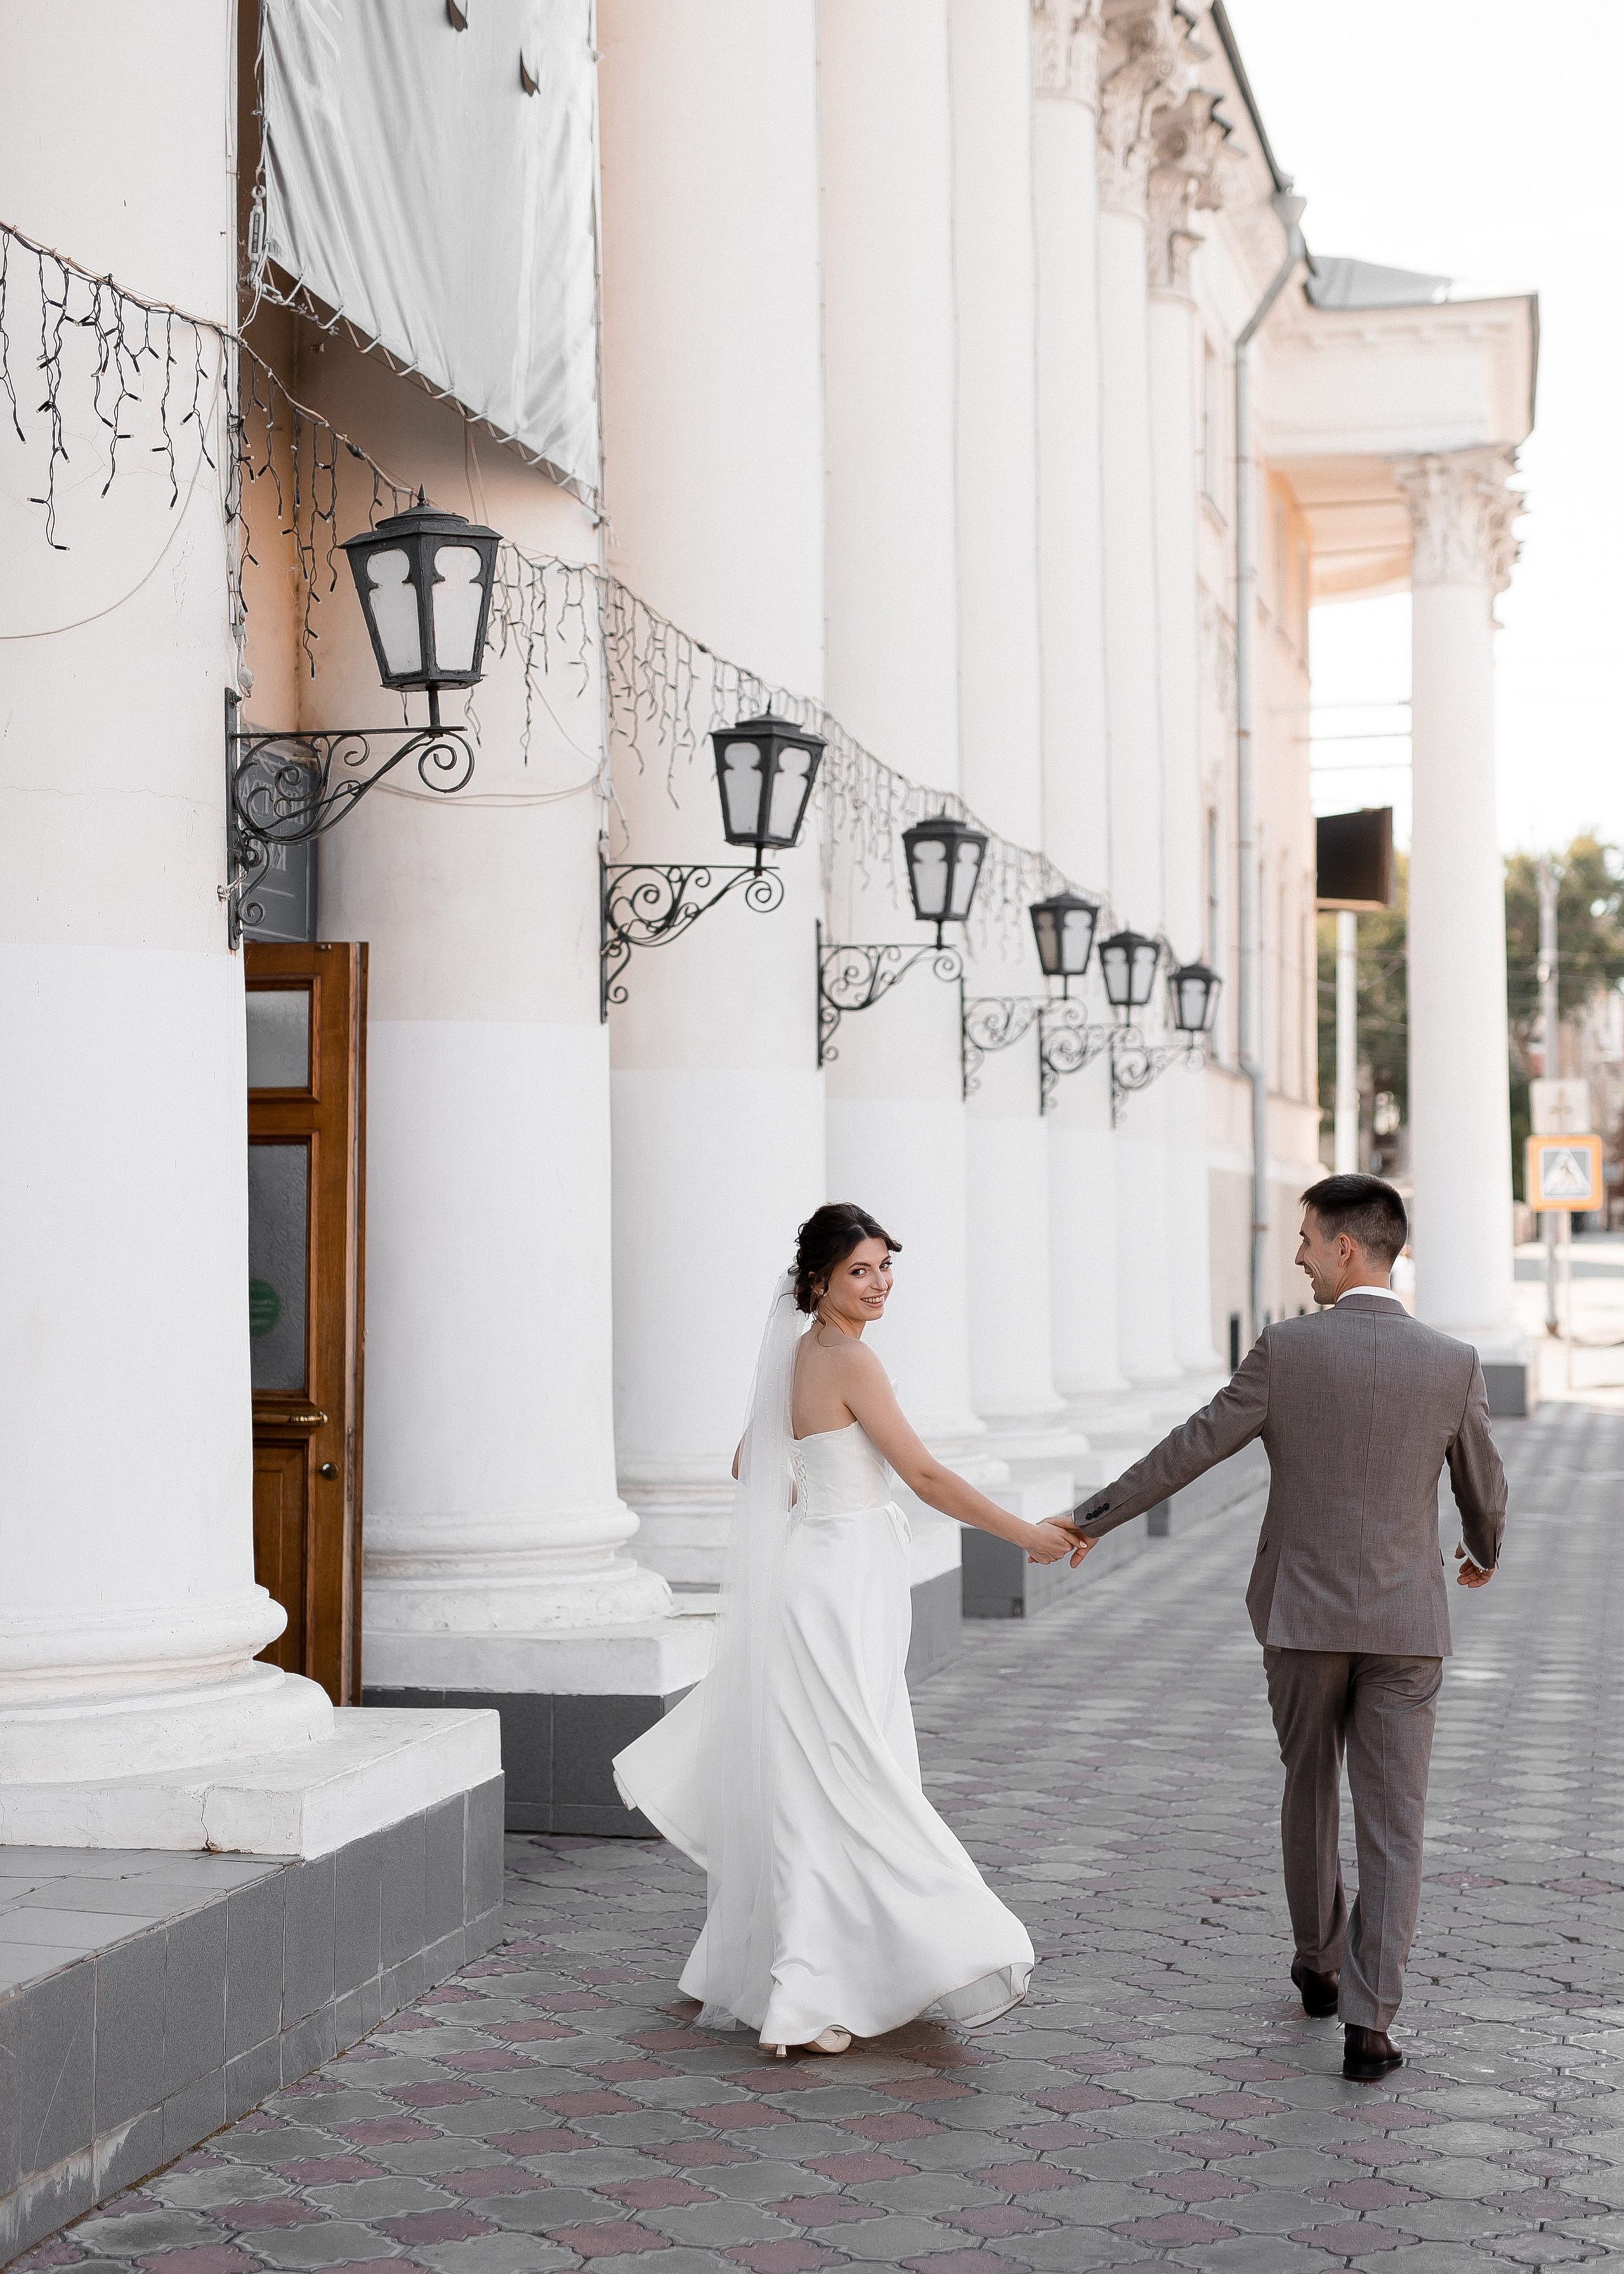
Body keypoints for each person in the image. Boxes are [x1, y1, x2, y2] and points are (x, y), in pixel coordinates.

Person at [1064, 1174, 1507, 2082]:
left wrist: (1089, 1519)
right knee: (1396, 1823)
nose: (1298, 1253)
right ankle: (1370, 2025)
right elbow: (1483, 1486)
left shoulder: (1287, 1351)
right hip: (1406, 1623)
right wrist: (1483, 1549)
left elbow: (1195, 1445)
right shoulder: (1453, 1360)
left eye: (1306, 1238)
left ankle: (1318, 1963)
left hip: (1301, 1620)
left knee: (1309, 1785)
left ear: (1348, 1248)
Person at [613, 1201, 1081, 2058]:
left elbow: (745, 1464)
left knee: (821, 1772)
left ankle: (781, 1974)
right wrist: (1026, 1538)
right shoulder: (851, 1362)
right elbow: (928, 1477)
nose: (877, 1286)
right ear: (819, 1281)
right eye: (859, 1271)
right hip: (842, 1582)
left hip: (823, 1572)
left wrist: (819, 1499)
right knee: (853, 1772)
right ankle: (833, 1980)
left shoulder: (799, 1356)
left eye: (884, 1268)